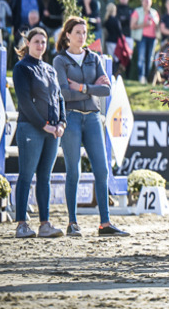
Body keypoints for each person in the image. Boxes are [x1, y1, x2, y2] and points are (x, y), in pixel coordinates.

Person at [53, 17, 128, 237]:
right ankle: (72, 223)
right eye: (77, 32)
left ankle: (105, 223)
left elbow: (106, 90)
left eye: (84, 32)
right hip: (72, 118)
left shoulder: (94, 58)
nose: (82, 36)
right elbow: (64, 93)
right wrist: (92, 88)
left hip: (93, 118)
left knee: (102, 170)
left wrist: (83, 87)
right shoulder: (59, 60)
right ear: (67, 35)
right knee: (73, 171)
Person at [11, 27, 66, 238]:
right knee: (26, 175)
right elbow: (24, 102)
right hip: (31, 128)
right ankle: (22, 224)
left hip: (52, 131)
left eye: (43, 42)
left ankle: (45, 224)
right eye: (37, 41)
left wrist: (61, 122)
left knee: (45, 177)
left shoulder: (49, 69)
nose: (41, 45)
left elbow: (59, 98)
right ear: (28, 43)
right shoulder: (21, 68)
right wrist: (44, 125)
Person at [130, 0, 159, 84]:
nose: (146, 3)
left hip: (152, 38)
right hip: (141, 38)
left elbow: (158, 26)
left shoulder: (154, 13)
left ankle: (146, 77)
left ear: (151, 2)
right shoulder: (137, 11)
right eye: (145, 1)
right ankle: (141, 77)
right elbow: (132, 26)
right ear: (142, 2)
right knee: (141, 58)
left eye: (148, 1)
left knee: (150, 58)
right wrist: (144, 24)